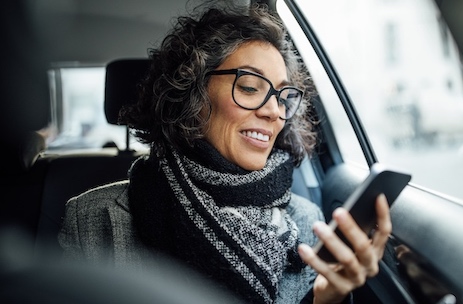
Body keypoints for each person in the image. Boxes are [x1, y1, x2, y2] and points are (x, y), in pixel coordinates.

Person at [58, 3, 391, 304]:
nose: (274, 112)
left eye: (282, 96)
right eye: (250, 87)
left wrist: (326, 299)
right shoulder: (92, 217)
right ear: (192, 94)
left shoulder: (307, 221)